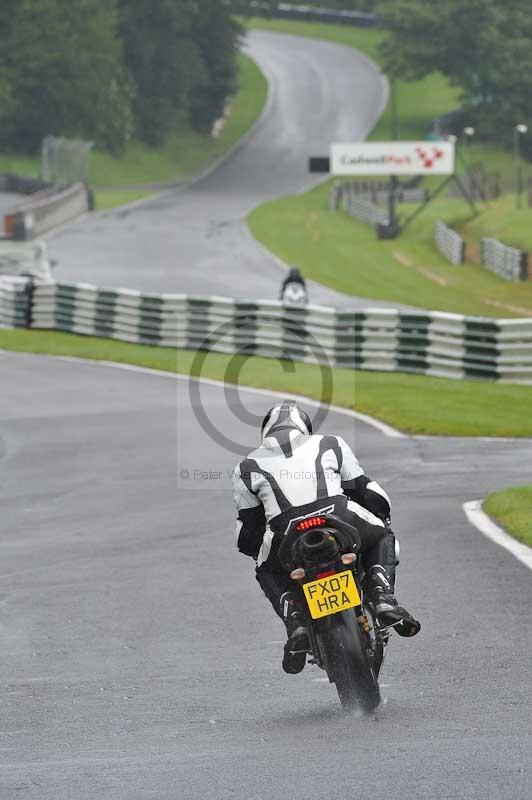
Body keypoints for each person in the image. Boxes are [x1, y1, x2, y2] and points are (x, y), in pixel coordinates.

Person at [232, 400, 420, 674]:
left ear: (266, 434)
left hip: (286, 531)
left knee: (265, 570)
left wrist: (255, 550)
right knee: (381, 534)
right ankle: (383, 598)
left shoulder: (246, 467)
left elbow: (248, 531)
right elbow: (367, 491)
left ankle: (295, 621)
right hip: (338, 515)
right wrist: (381, 514)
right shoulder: (330, 443)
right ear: (304, 428)